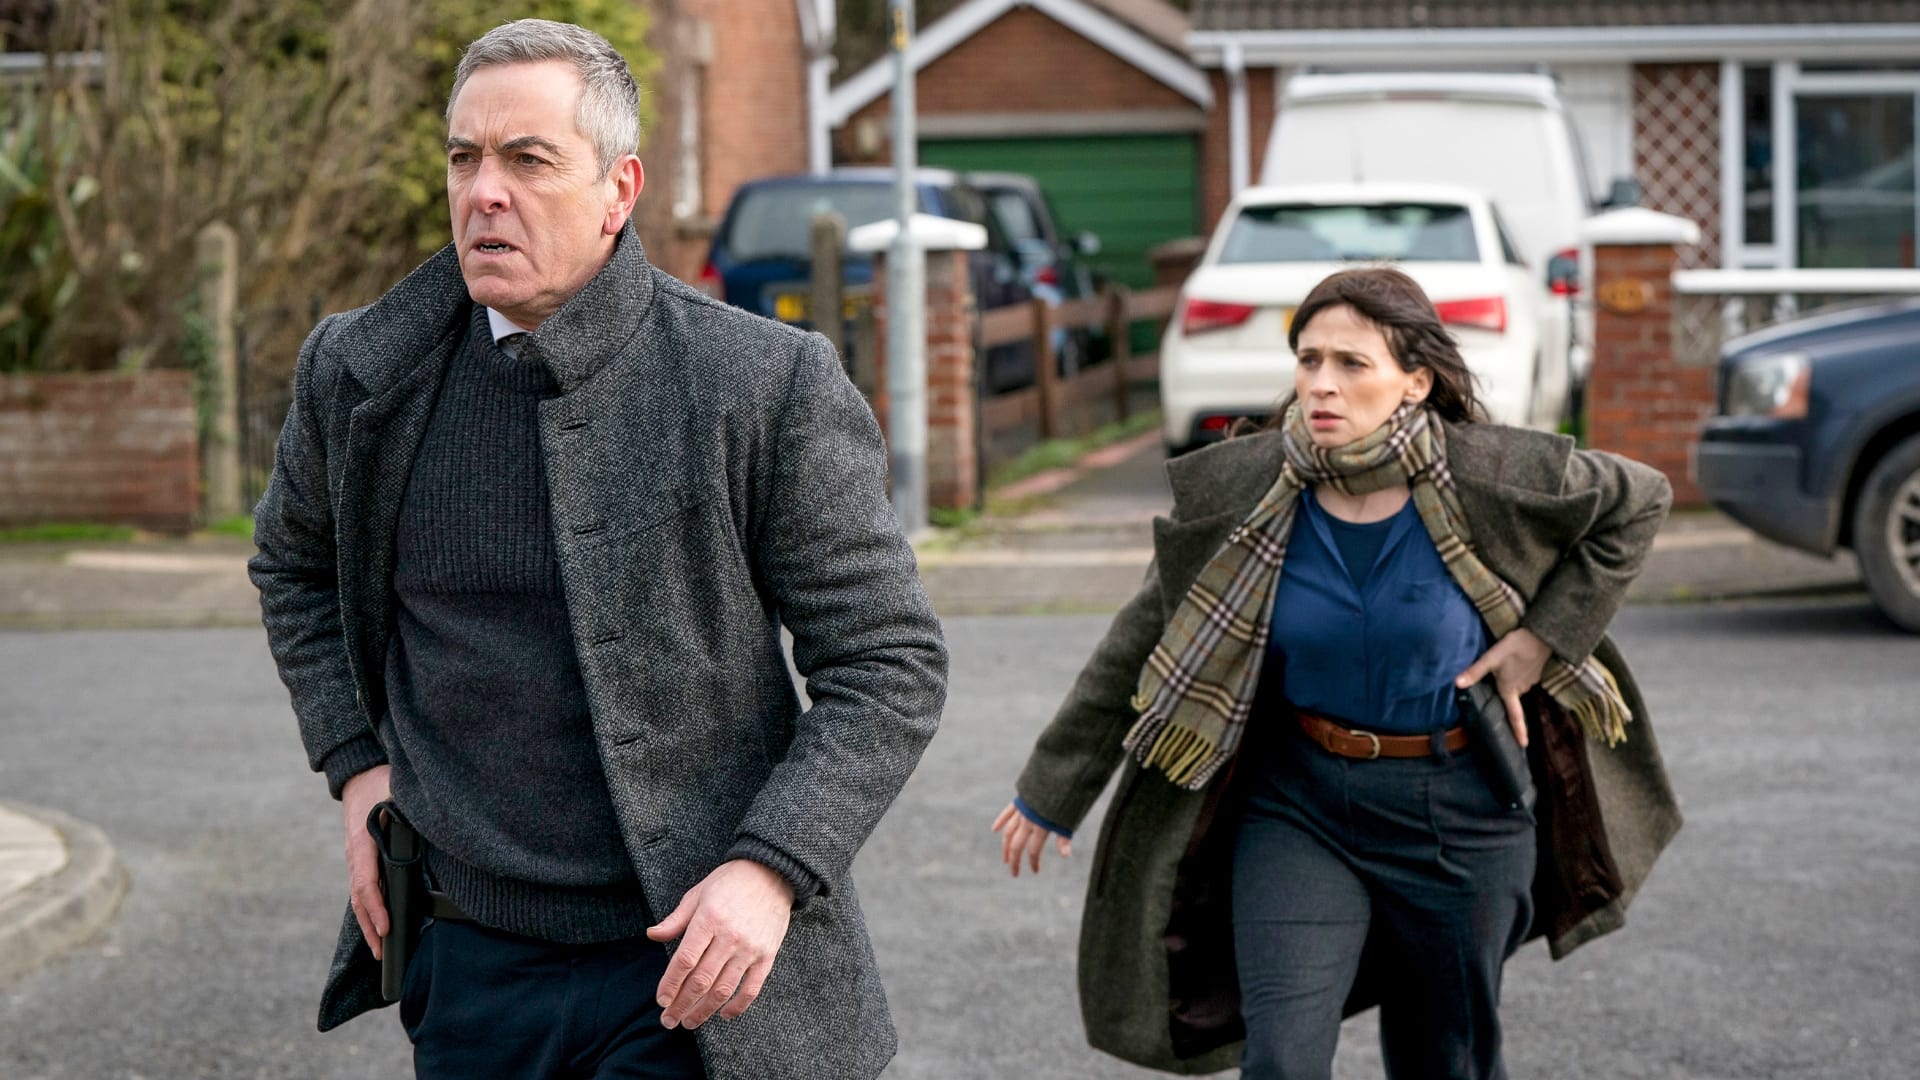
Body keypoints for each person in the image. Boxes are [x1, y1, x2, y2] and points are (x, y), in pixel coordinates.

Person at [250, 19, 946, 1080]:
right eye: (464, 157)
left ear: (619, 190)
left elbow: (889, 662)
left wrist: (770, 869)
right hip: (468, 966)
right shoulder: (360, 372)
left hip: (689, 974)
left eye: (529, 160)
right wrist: (355, 764)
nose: (486, 191)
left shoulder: (761, 384)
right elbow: (292, 567)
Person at [991, 267, 1681, 1078]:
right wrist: (1052, 790)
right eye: (1309, 359)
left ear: (1415, 381)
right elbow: (1138, 643)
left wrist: (1544, 637)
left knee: (1448, 1062)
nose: (1322, 383)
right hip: (1299, 805)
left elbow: (1642, 499)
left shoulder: (1491, 475)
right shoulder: (1246, 491)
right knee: (1281, 1060)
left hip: (1459, 809)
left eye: (1352, 363)